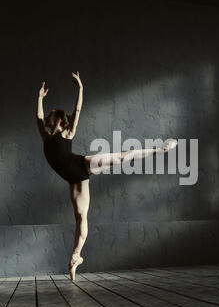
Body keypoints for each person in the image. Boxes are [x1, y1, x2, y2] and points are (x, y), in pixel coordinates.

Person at [36, 71, 177, 280]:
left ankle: (160, 150)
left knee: (120, 157)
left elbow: (77, 109)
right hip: (74, 180)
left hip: (82, 165)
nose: (47, 117)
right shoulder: (46, 137)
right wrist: (39, 98)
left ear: (58, 118)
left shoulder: (68, 133)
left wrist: (81, 88)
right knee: (81, 218)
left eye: (50, 115)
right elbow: (38, 118)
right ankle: (76, 256)